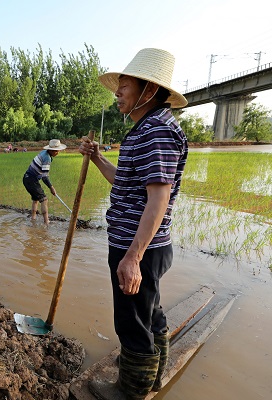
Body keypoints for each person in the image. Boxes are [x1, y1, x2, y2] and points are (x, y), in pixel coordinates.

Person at [79, 48, 188, 400]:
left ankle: (130, 391)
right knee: (149, 313)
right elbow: (126, 183)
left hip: (138, 247)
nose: (118, 89)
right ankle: (152, 380)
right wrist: (97, 158)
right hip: (147, 246)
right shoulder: (147, 130)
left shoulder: (155, 131)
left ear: (149, 89)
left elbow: (158, 199)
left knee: (131, 322)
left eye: (125, 82)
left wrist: (132, 257)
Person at [22, 139, 66, 225]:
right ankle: (46, 222)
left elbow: (43, 174)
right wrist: (51, 188)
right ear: (51, 150)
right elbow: (44, 177)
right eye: (56, 151)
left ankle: (33, 219)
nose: (58, 153)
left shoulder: (44, 152)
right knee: (44, 199)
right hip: (31, 180)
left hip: (26, 178)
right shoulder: (47, 158)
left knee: (35, 199)